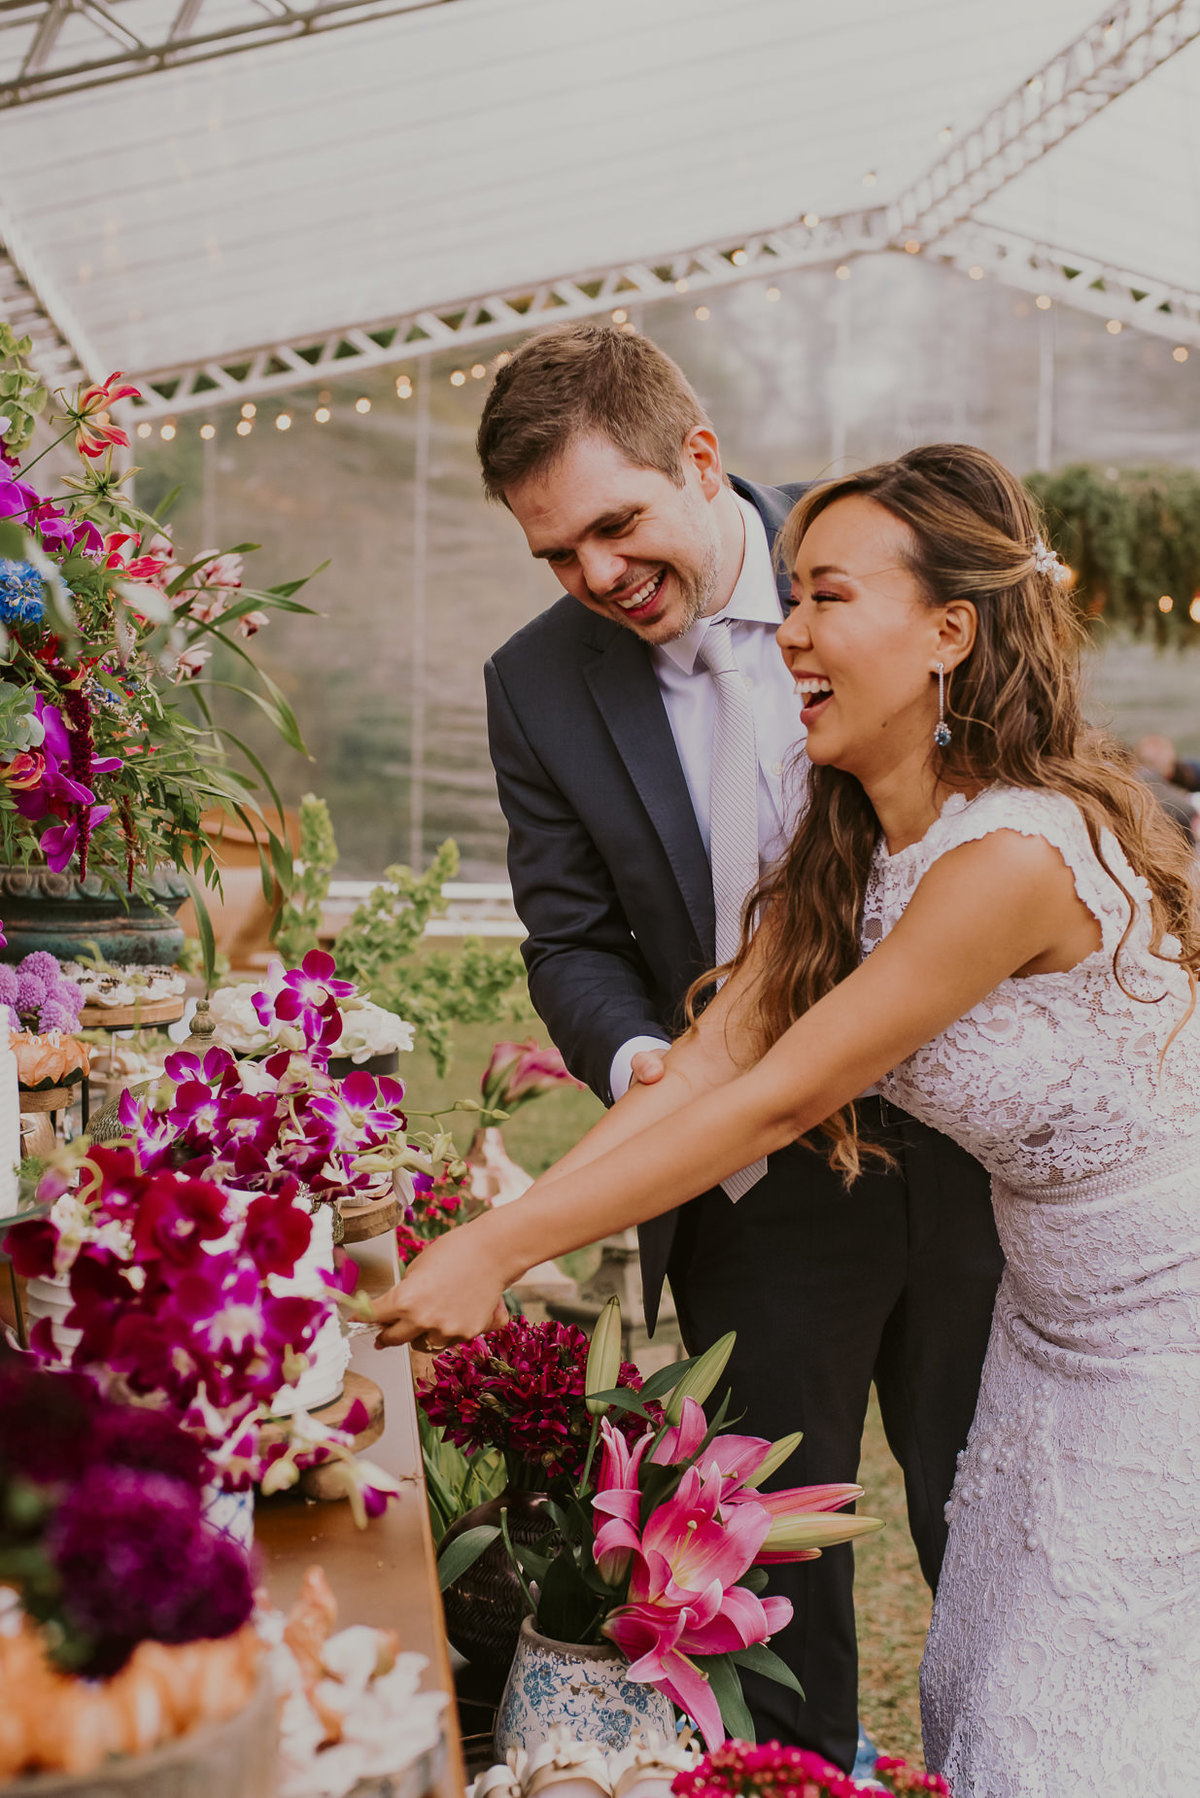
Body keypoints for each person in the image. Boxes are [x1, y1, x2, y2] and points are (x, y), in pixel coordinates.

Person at [377, 442, 1200, 1795]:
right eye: (794, 599)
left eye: (825, 601)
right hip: (1052, 1329)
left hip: (1165, 1330)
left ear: (949, 633)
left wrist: (497, 1253)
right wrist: (497, 1233)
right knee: (987, 1690)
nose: (791, 636)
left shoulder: (1010, 855)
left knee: (1078, 1729)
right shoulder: (857, 838)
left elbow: (780, 1093)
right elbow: (701, 1069)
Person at [469, 324, 1000, 1771]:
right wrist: (653, 1076)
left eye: (615, 525)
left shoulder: (886, 572)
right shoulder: (535, 684)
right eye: (555, 553)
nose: (592, 575)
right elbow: (569, 941)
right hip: (752, 1189)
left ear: (700, 460)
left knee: (1002, 1531)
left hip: (977, 1152)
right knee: (761, 1584)